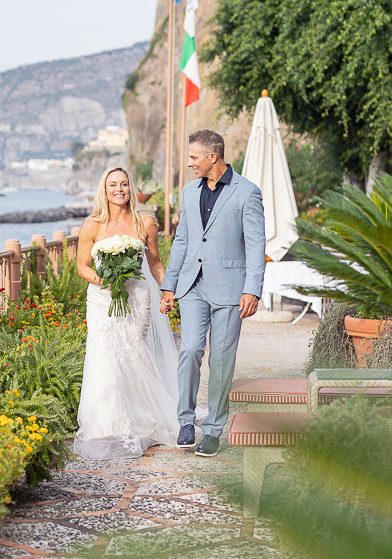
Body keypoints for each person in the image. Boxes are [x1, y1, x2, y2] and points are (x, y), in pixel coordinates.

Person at [160, 130, 266, 457]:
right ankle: (186, 420)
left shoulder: (247, 193)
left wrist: (252, 289)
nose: (189, 163)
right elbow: (182, 241)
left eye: (193, 157)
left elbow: (256, 244)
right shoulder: (189, 192)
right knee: (190, 350)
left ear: (212, 157)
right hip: (193, 285)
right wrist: (169, 285)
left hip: (231, 289)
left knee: (221, 361)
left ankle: (215, 428)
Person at [74, 166, 179, 459]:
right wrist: (103, 280)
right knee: (103, 355)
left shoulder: (145, 223)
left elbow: (155, 263)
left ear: (130, 188)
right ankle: (103, 424)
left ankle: (142, 419)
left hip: (137, 296)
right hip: (101, 299)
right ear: (104, 190)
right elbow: (82, 266)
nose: (118, 189)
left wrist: (169, 290)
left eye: (123, 184)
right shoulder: (92, 225)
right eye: (112, 185)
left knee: (133, 351)